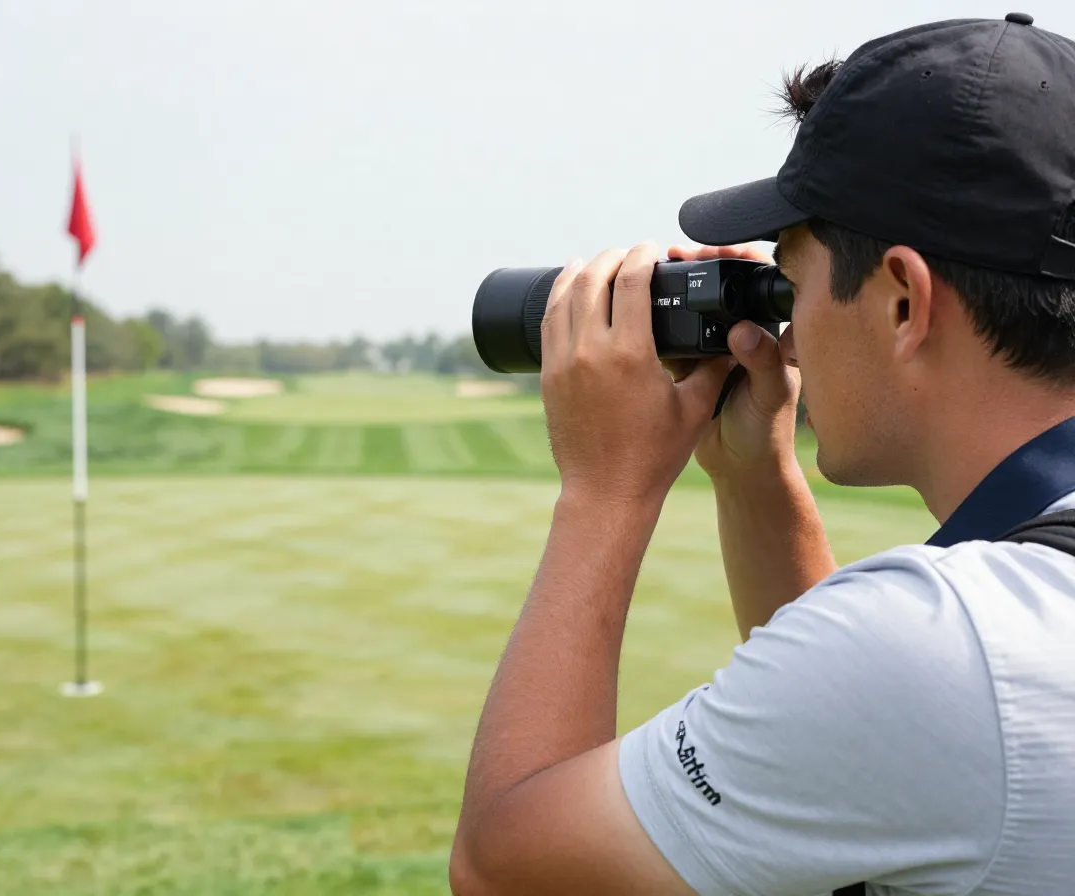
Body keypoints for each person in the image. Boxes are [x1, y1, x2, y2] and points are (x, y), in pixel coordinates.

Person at [449, 12, 1075, 896]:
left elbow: (504, 871)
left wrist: (606, 490)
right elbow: (880, 757)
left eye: (793, 273)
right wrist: (755, 477)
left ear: (903, 301)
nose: (789, 321)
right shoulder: (1001, 630)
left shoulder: (956, 652)